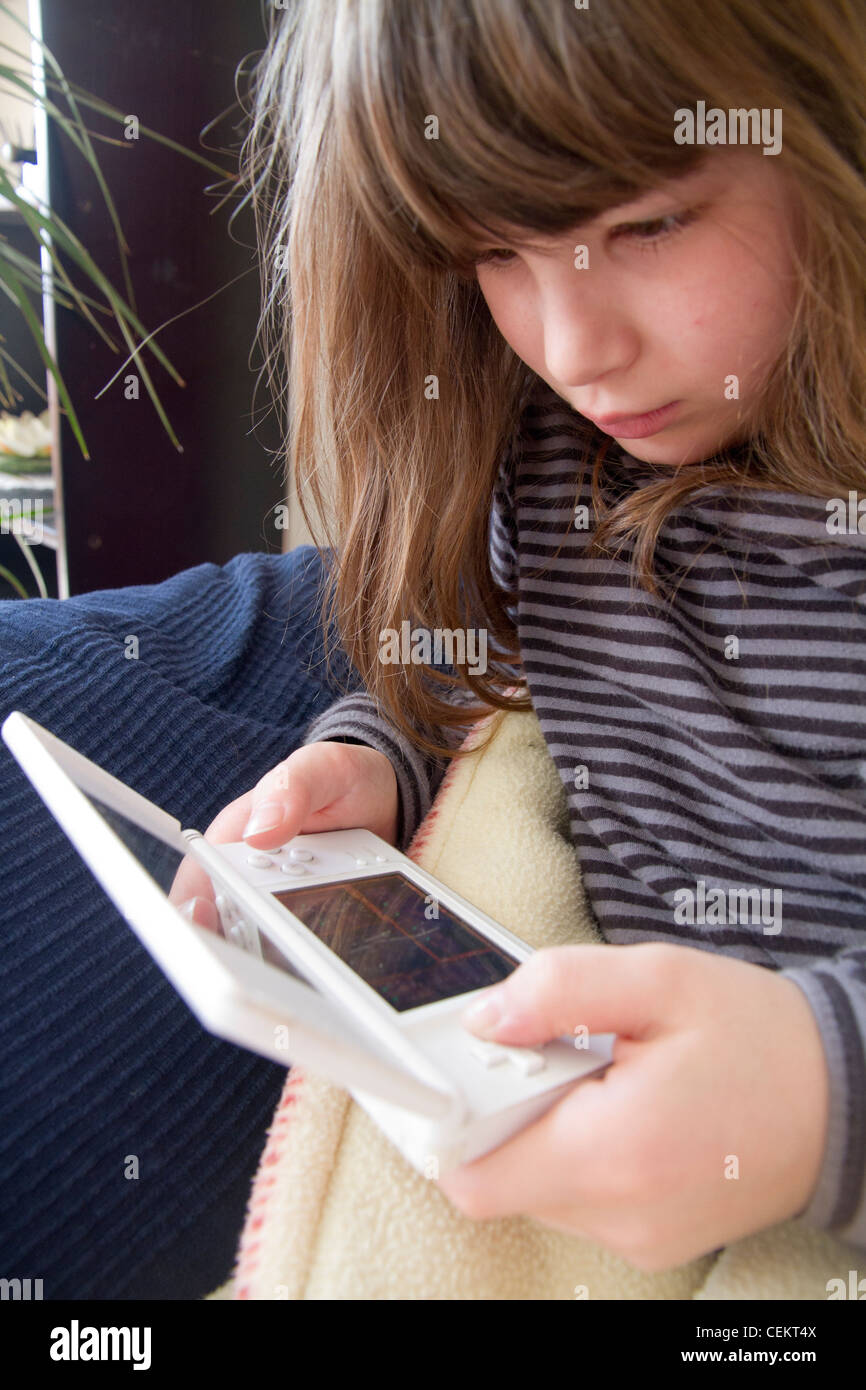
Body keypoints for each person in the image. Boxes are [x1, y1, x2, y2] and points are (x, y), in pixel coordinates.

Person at [1, 0, 864, 1297]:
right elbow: (481, 654)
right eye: (497, 254)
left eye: (646, 225)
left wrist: (814, 1088)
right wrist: (373, 760)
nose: (576, 351)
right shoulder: (559, 461)